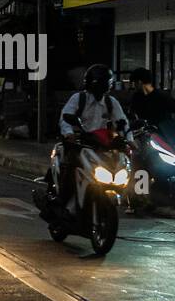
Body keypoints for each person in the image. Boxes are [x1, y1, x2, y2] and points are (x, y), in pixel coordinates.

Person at [55, 64, 131, 207]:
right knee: (71, 167)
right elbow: (65, 118)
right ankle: (61, 201)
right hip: (79, 144)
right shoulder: (78, 99)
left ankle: (131, 199)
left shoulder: (111, 102)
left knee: (121, 164)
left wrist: (129, 140)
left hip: (101, 146)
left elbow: (123, 122)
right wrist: (69, 134)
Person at [128, 67, 175, 213]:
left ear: (140, 82)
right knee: (138, 161)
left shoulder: (161, 96)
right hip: (144, 135)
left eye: (134, 83)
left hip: (165, 136)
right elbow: (130, 116)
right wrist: (133, 125)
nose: (133, 86)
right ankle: (136, 199)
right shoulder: (136, 99)